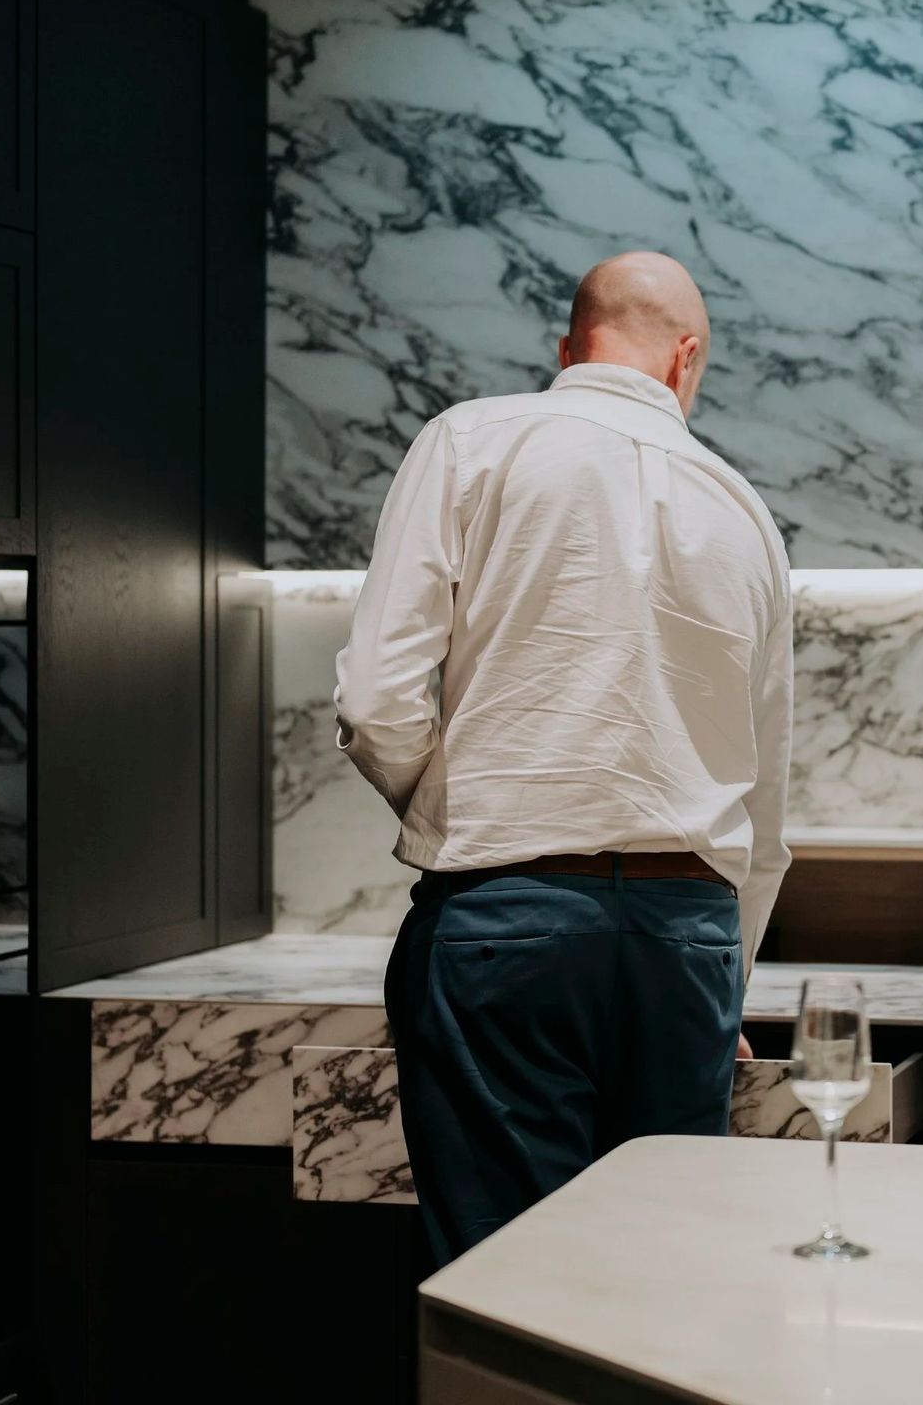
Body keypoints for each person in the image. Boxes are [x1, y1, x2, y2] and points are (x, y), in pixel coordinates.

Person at [336, 250, 794, 1264]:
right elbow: (763, 811)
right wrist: (726, 988)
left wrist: (463, 816)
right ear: (686, 359)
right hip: (691, 945)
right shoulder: (742, 509)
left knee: (509, 1285)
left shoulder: (470, 443)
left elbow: (375, 705)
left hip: (506, 926)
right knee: (665, 1284)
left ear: (568, 346)